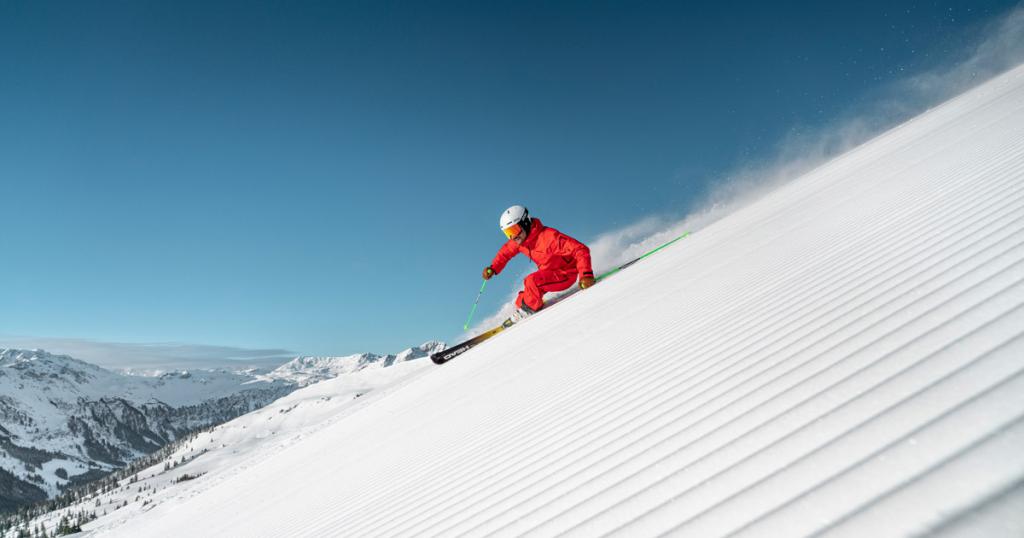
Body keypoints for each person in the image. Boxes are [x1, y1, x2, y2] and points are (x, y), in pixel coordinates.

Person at [482, 205, 596, 319]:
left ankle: (528, 311)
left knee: (532, 281)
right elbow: (505, 253)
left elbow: (580, 249)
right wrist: (493, 268)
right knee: (522, 297)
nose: (513, 237)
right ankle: (526, 305)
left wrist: (586, 275)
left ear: (525, 222)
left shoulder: (549, 237)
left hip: (565, 274)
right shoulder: (520, 241)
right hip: (548, 273)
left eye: (514, 230)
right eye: (508, 233)